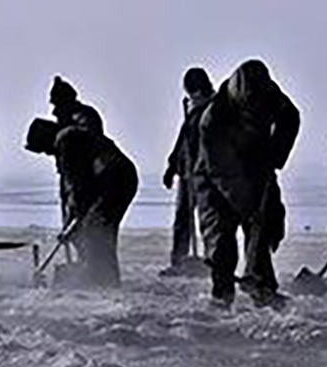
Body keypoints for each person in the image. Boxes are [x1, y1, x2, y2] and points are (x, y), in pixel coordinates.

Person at [194, 59, 300, 308]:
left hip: (257, 163)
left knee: (264, 224)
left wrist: (277, 153)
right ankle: (222, 293)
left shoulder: (269, 93)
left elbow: (290, 117)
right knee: (221, 236)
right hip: (214, 175)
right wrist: (248, 206)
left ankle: (262, 286)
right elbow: (223, 173)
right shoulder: (213, 119)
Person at [25, 118, 139, 288]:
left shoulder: (65, 140)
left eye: (44, 150)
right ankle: (102, 277)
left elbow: (78, 186)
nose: (48, 154)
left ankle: (102, 279)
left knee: (95, 230)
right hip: (119, 179)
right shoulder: (71, 135)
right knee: (99, 230)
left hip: (113, 181)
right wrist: (72, 221)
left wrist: (71, 223)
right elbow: (80, 188)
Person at [161, 68, 215, 274]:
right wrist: (171, 166)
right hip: (186, 173)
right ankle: (179, 260)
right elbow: (183, 142)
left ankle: (212, 261)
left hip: (205, 174)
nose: (193, 96)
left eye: (196, 91)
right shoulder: (192, 112)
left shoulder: (213, 110)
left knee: (207, 219)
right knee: (182, 217)